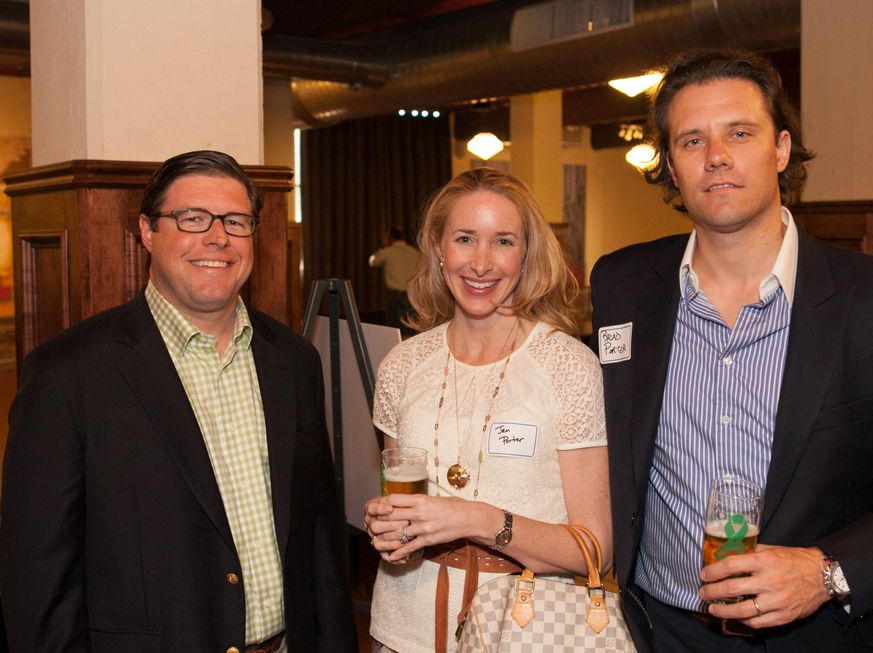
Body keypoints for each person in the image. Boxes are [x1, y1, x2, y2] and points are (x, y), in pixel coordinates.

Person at [590, 49, 873, 652]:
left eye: (739, 133)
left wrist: (828, 571)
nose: (716, 156)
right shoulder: (619, 284)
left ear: (780, 149)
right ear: (670, 166)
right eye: (692, 141)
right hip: (657, 631)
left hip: (822, 636)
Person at [0, 150, 357, 652]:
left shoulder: (295, 362)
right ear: (147, 231)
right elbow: (38, 580)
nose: (218, 237)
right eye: (192, 218)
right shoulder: (68, 375)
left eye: (236, 221)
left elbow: (319, 538)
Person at [363, 168, 612, 653]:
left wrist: (477, 519)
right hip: (401, 629)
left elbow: (594, 550)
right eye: (464, 239)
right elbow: (400, 499)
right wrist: (386, 526)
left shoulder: (568, 367)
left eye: (502, 241)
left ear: (526, 254)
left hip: (524, 631)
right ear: (438, 248)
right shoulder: (403, 365)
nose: (480, 263)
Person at [369, 227, 422, 335]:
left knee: (395, 331)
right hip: (413, 296)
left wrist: (381, 249)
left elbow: (372, 261)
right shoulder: (413, 251)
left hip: (396, 296)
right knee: (411, 329)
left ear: (390, 238)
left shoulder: (388, 252)